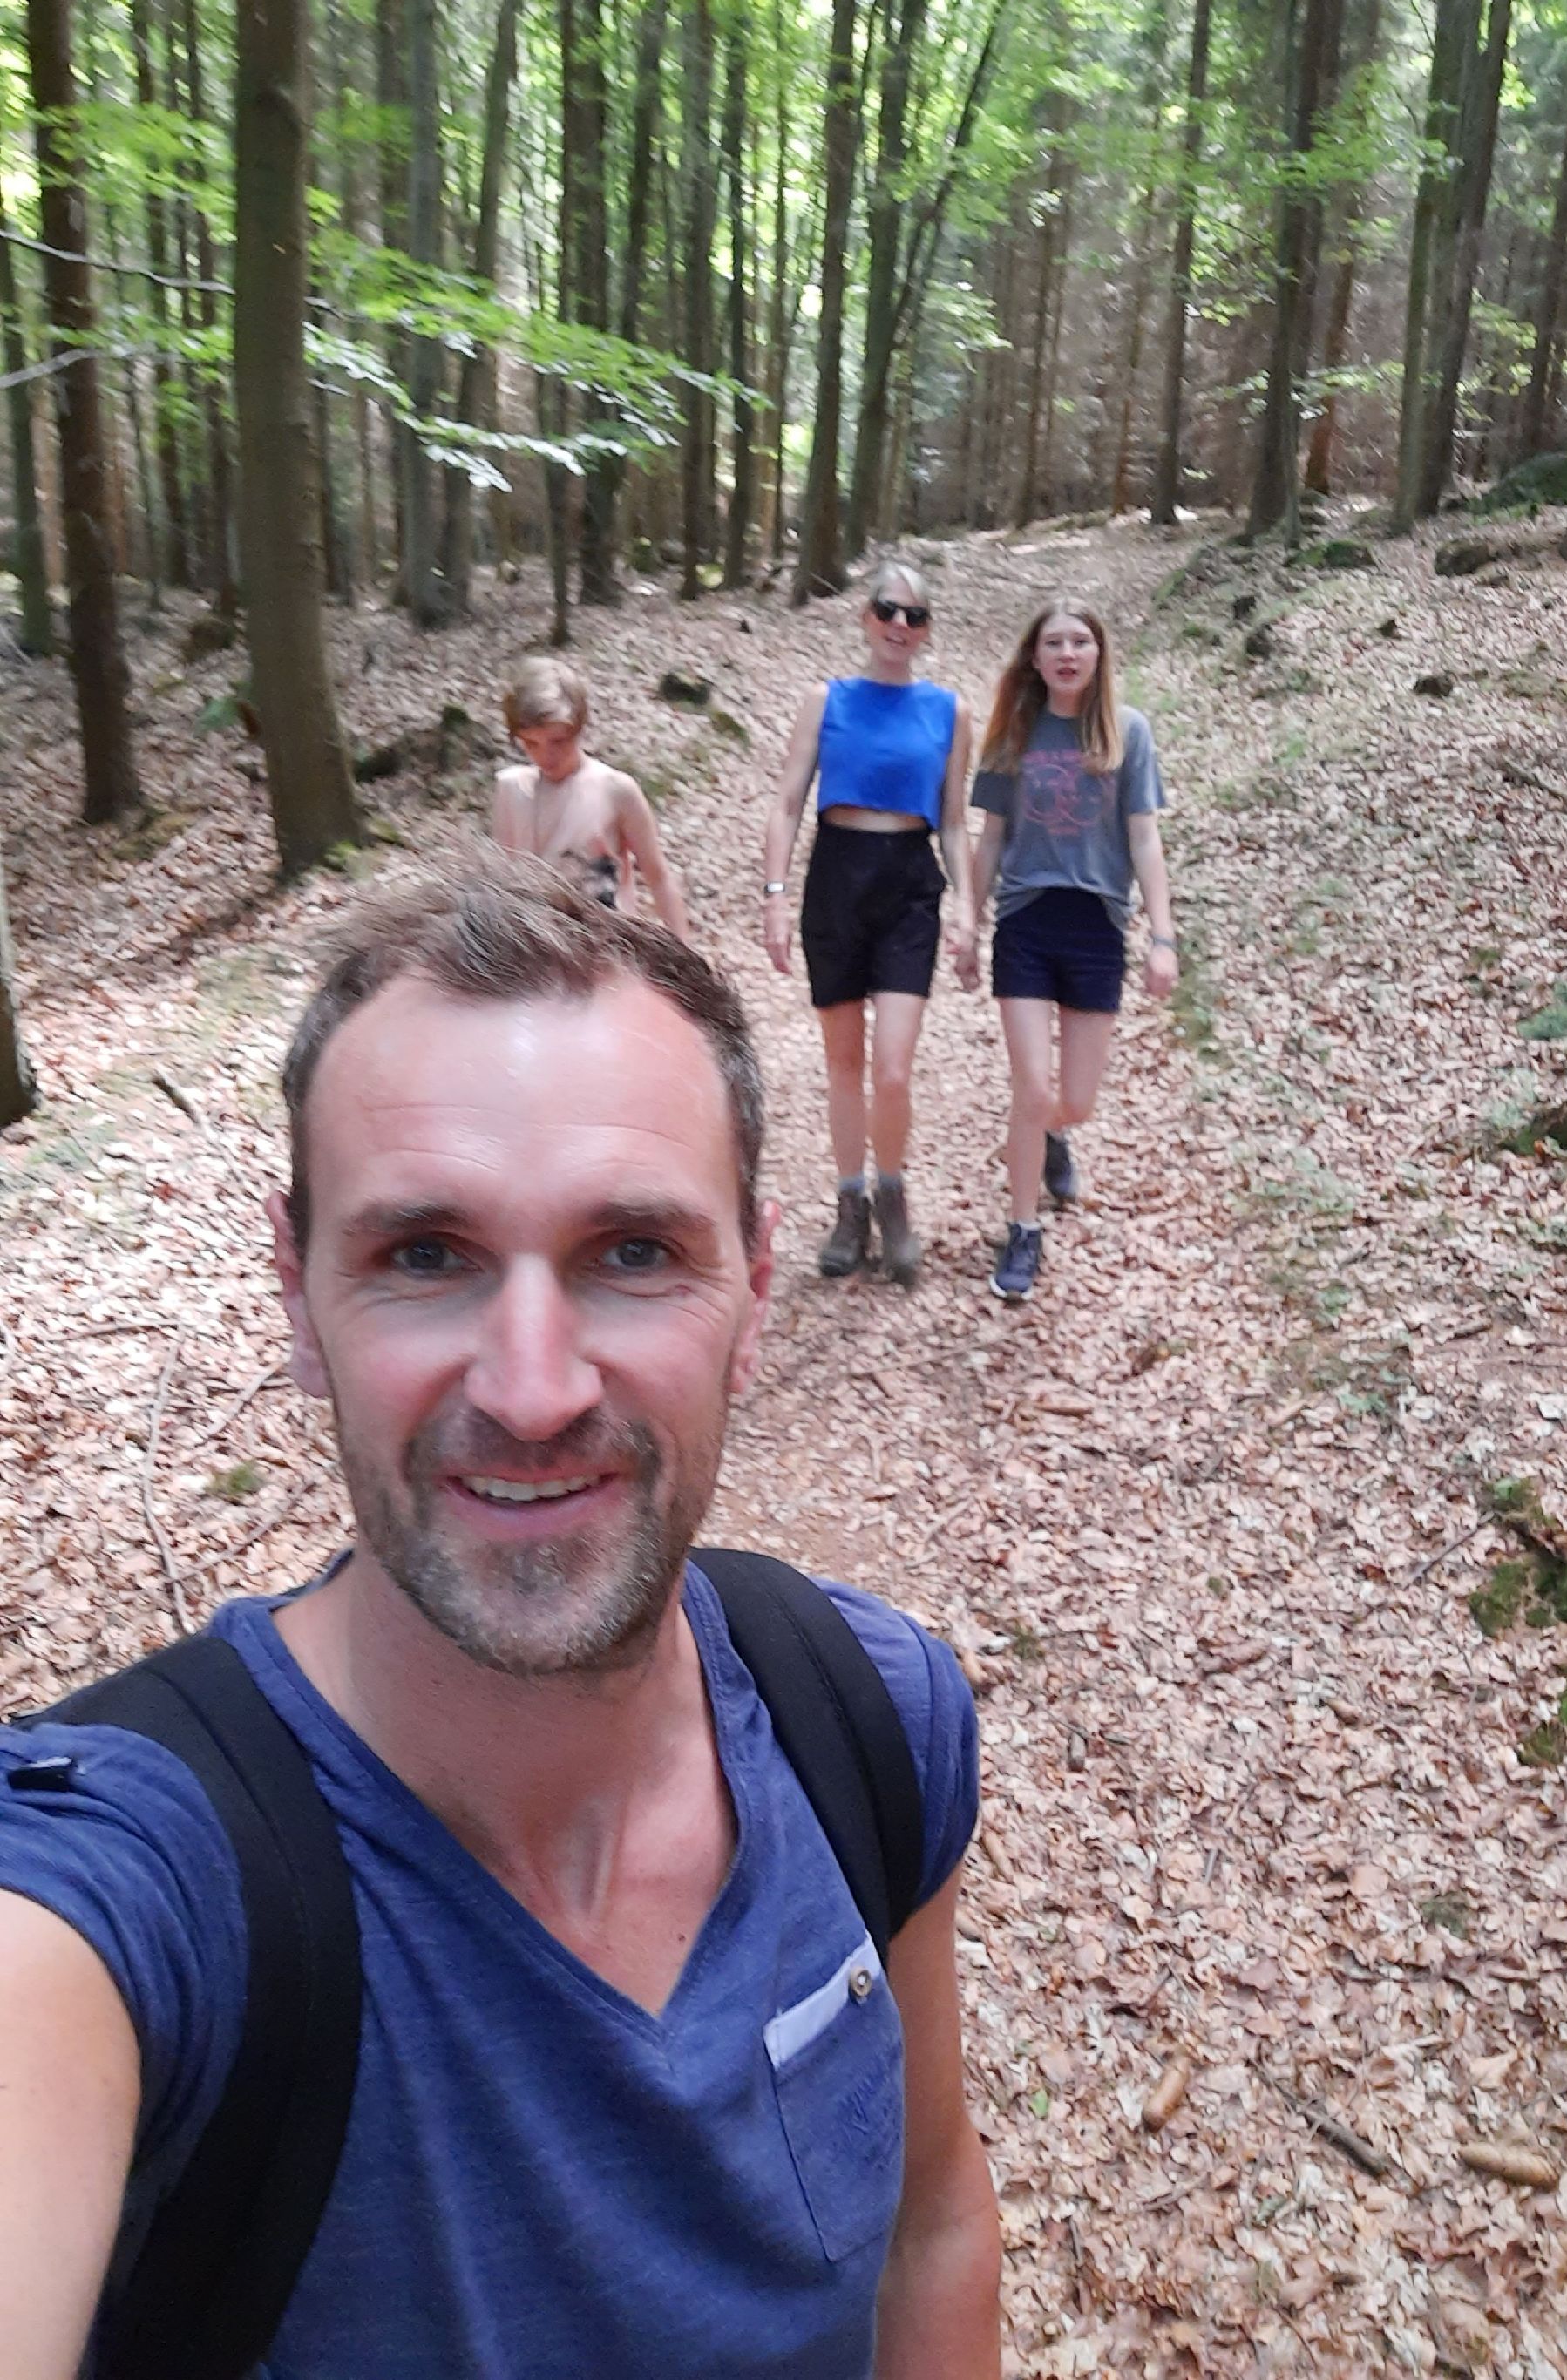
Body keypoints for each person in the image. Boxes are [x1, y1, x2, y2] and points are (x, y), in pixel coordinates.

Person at [0, 858, 1001, 2377]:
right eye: (425, 1255)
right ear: (298, 1294)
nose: (533, 1391)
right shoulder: (122, 1900)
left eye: (633, 1252)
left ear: (753, 1287)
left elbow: (932, 2217)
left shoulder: (866, 1718)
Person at [763, 562, 974, 1286]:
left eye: (915, 615)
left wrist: (968, 907)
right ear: (865, 616)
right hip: (836, 878)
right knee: (844, 1061)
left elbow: (954, 821)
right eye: (888, 609)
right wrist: (774, 894)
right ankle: (849, 1203)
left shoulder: (949, 712)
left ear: (927, 630)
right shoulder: (827, 701)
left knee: (892, 1066)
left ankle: (893, 1193)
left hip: (910, 882)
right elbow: (788, 802)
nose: (900, 625)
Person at [962, 599, 1178, 1303]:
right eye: (1054, 642)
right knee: (1032, 1087)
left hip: (1097, 924)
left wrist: (1163, 937)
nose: (1067, 653)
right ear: (1035, 656)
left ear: (1098, 654)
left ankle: (1052, 1135)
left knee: (1074, 1102)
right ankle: (1023, 1229)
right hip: (1026, 919)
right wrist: (967, 922)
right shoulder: (1014, 730)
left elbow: (1144, 837)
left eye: (1080, 641)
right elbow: (990, 838)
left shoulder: (1127, 731)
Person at [494, 654, 690, 939]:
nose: (546, 755)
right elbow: (502, 885)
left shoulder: (616, 790)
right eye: (531, 744)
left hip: (607, 946)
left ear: (578, 728)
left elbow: (658, 877)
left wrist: (684, 953)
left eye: (558, 741)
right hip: (536, 948)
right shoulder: (511, 790)